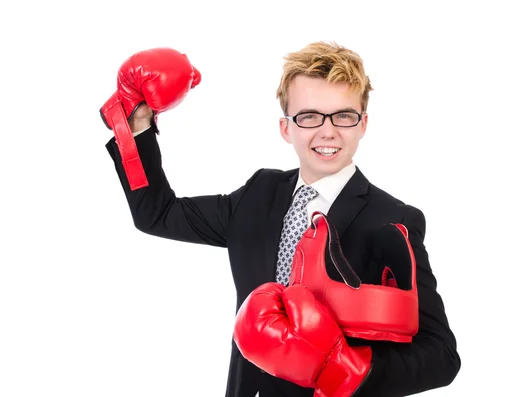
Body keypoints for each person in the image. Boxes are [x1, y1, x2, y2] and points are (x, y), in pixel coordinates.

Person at [102, 41, 461, 396]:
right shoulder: (259, 193)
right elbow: (158, 215)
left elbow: (440, 355)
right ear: (286, 127)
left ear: (362, 124)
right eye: (308, 116)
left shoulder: (392, 219)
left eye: (344, 115)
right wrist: (135, 119)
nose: (328, 131)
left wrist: (347, 369)